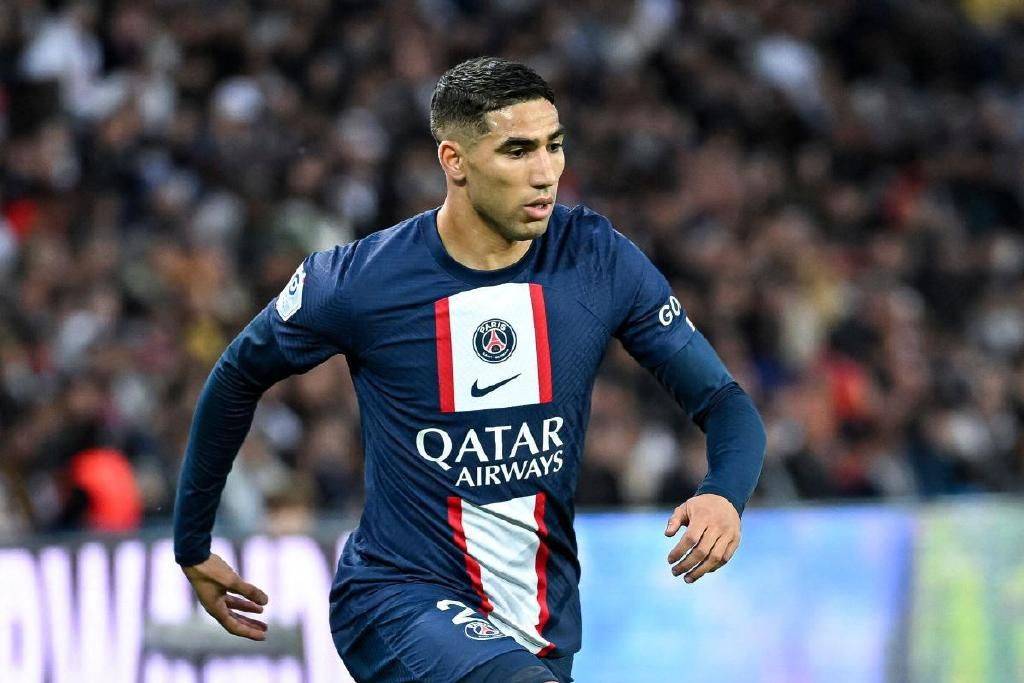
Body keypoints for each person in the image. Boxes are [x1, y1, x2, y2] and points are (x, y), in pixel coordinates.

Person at [173, 57, 766, 683]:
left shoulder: (596, 259)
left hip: (540, 628)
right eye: (517, 151)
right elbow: (237, 376)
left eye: (554, 145)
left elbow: (725, 403)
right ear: (454, 161)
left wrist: (723, 493)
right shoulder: (361, 281)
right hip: (396, 599)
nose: (546, 173)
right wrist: (193, 542)